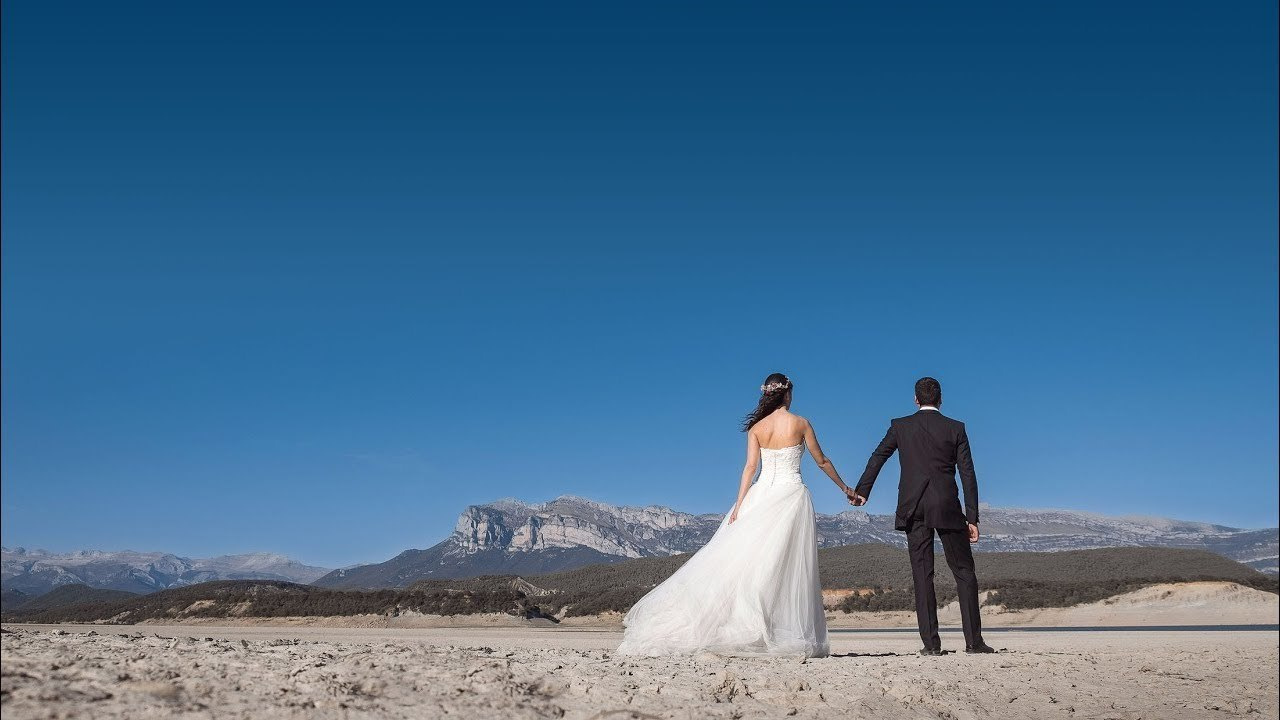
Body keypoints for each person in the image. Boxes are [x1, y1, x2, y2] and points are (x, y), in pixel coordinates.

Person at [616, 373, 854, 657]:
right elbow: (822, 460)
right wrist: (845, 488)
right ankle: (770, 630)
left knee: (751, 564)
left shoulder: (757, 428)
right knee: (780, 568)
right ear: (788, 393)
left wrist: (740, 505)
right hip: (790, 496)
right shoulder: (801, 423)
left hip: (761, 494)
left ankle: (756, 626)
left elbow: (750, 468)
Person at [850, 376, 996, 655]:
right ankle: (974, 643)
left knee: (922, 574)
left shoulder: (901, 426)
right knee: (964, 572)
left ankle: (931, 645)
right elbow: (968, 474)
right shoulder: (956, 428)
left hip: (913, 506)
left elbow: (878, 456)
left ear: (916, 400)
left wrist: (863, 491)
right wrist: (972, 517)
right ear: (940, 399)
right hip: (947, 507)